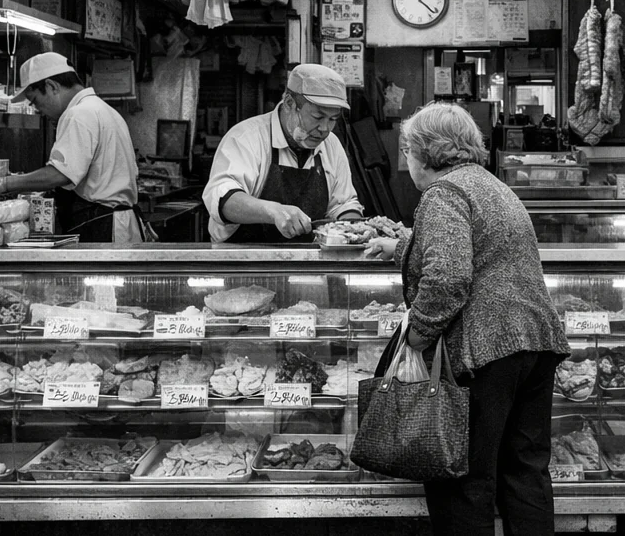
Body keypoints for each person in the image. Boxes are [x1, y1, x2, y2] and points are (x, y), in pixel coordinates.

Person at [365, 102, 570, 536]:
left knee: (464, 482)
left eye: (407, 152)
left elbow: (448, 276)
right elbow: (477, 250)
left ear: (424, 153)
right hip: (535, 347)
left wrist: (418, 335)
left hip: (487, 353)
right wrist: (401, 247)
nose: (406, 162)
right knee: (525, 472)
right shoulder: (492, 186)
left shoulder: (443, 193)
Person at [0, 52, 143, 244]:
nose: (39, 110)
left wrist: (3, 184)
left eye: (36, 101)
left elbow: (60, 174)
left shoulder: (78, 114)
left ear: (51, 86)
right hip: (116, 222)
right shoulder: (100, 108)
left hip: (104, 226)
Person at [202, 63, 363, 243]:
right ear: (289, 103)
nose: (324, 129)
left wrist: (353, 228)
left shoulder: (331, 145)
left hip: (308, 264)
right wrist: (274, 211)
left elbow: (343, 204)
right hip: (244, 261)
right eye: (317, 117)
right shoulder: (246, 138)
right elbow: (223, 200)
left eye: (333, 119)